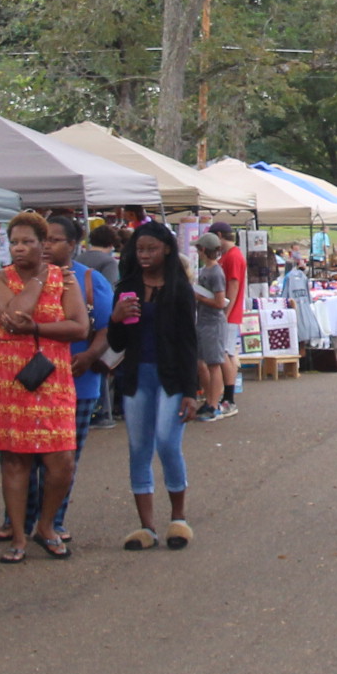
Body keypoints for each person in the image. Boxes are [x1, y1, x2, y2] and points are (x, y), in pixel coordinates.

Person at [0, 210, 90, 562]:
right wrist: (40, 281)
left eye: (28, 242)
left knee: (61, 459)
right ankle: (18, 536)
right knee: (15, 460)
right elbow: (10, 317)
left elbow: (79, 327)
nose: (19, 248)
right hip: (9, 376)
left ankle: (46, 525)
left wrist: (36, 329)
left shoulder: (68, 280)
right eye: (14, 242)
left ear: (42, 244)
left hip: (52, 373)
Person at [18, 214, 113, 544]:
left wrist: (88, 356)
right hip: (27, 381)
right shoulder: (14, 277)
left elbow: (105, 328)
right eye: (41, 239)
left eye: (54, 240)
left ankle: (53, 521)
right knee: (21, 455)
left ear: (73, 245)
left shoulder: (89, 281)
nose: (45, 246)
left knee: (63, 458)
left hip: (76, 382)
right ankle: (16, 521)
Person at [107, 221, 201, 551]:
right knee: (138, 447)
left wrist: (191, 391)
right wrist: (115, 317)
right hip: (136, 377)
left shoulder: (179, 289)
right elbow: (116, 343)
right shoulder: (127, 287)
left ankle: (179, 517)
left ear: (166, 250)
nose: (144, 255)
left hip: (172, 377)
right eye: (139, 249)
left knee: (166, 441)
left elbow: (190, 342)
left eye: (151, 249)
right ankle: (146, 526)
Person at [190, 231, 233, 420]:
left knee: (214, 364)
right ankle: (209, 400)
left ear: (204, 250)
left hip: (213, 322)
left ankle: (214, 405)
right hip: (204, 321)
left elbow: (219, 301)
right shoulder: (206, 270)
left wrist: (198, 297)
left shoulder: (215, 272)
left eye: (199, 248)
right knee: (202, 363)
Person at [211, 220, 249, 410]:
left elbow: (233, 285)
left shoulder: (232, 256)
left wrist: (225, 312)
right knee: (228, 352)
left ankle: (228, 397)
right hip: (230, 312)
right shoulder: (232, 255)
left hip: (228, 313)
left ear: (219, 235)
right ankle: (228, 395)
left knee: (224, 353)